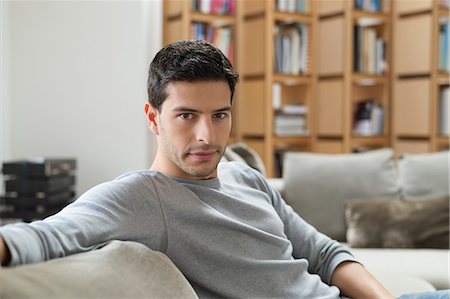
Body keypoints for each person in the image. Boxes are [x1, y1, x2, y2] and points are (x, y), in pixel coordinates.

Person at [0, 40, 446, 299]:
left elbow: (326, 254)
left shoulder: (246, 178)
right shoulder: (141, 197)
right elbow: (45, 235)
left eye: (220, 115)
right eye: (186, 115)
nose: (207, 138)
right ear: (153, 118)